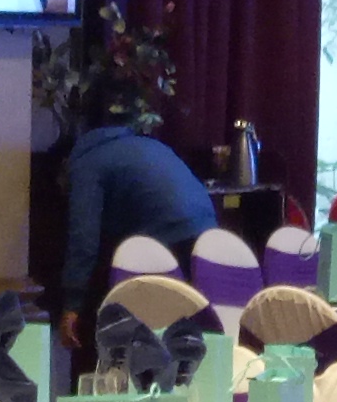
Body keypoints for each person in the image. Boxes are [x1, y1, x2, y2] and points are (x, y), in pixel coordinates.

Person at [59, 88, 218, 334]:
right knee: (190, 323)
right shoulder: (149, 144)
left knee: (133, 322)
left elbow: (84, 240)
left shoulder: (85, 165)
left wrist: (72, 305)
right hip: (208, 231)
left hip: (166, 237)